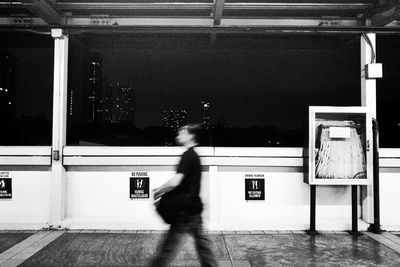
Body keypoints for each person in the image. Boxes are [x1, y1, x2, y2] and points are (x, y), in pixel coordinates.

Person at [150, 124, 218, 267]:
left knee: (167, 250)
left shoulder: (188, 156)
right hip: (193, 209)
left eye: (182, 132)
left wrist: (159, 190)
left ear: (191, 136)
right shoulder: (194, 156)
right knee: (204, 250)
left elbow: (176, 182)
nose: (178, 135)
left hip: (184, 212)